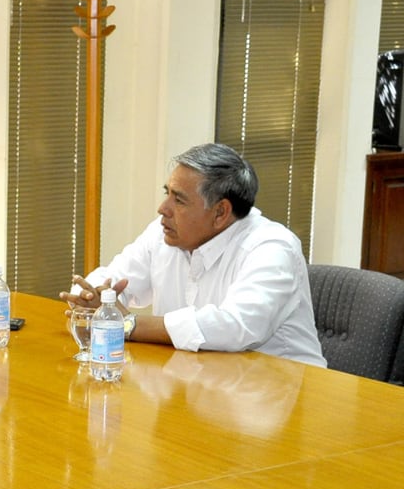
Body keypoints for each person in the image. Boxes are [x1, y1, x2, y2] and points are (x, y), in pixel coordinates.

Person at [60, 143, 325, 367]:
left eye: (179, 200)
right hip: (198, 381)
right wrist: (91, 297)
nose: (163, 209)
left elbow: (235, 326)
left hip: (281, 394)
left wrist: (126, 324)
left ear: (220, 212)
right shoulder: (164, 233)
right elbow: (112, 279)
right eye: (167, 194)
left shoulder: (272, 247)